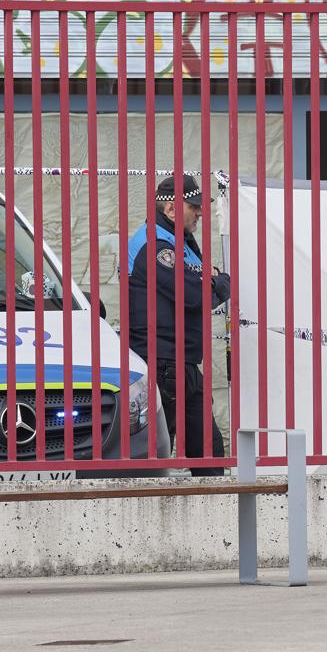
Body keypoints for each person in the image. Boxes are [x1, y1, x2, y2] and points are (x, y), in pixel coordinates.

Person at [127, 175, 232, 475]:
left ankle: (217, 517)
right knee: (158, 458)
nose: (200, 212)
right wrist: (218, 282)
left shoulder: (180, 241)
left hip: (183, 367)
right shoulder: (154, 245)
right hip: (161, 366)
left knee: (210, 455)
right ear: (172, 209)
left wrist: (212, 281)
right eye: (194, 206)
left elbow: (204, 284)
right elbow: (195, 294)